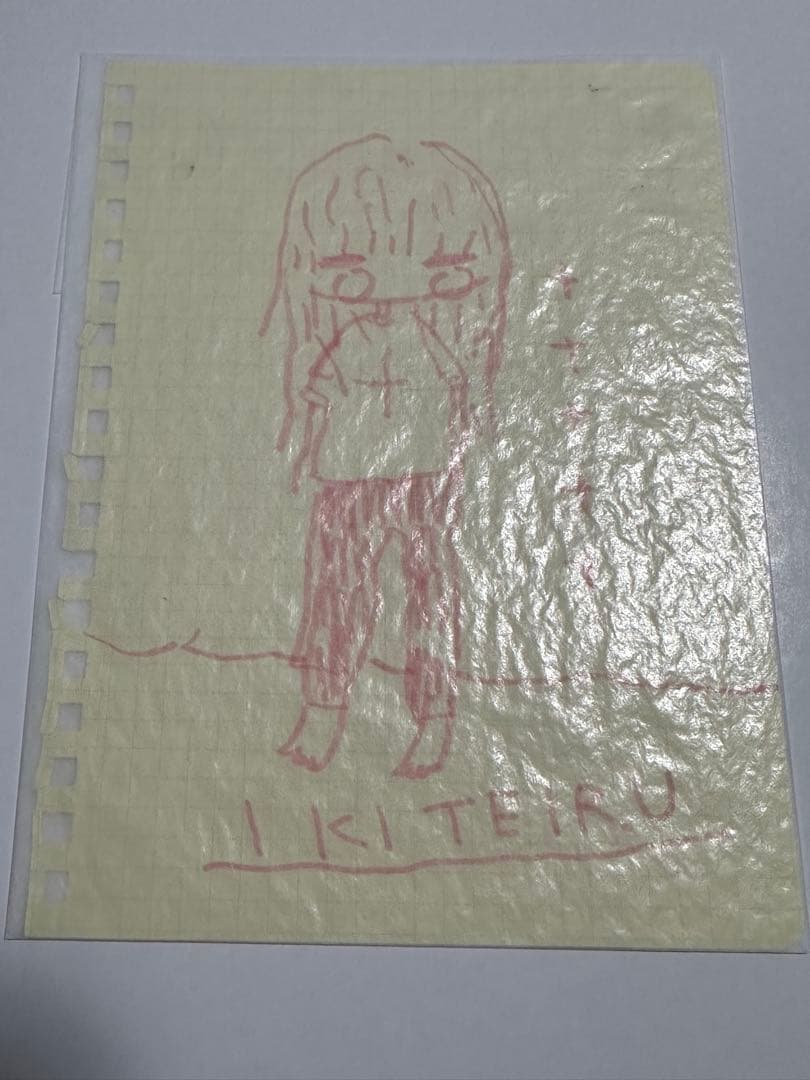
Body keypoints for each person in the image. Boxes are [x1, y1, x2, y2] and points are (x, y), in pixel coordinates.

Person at [260, 133, 511, 779]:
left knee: (431, 587)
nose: (393, 293)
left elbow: (456, 389)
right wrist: (309, 437)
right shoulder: (349, 340)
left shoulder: (428, 340)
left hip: (425, 470)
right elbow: (321, 392)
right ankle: (324, 710)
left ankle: (434, 716)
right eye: (352, 274)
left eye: (441, 274)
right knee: (341, 587)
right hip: (349, 473)